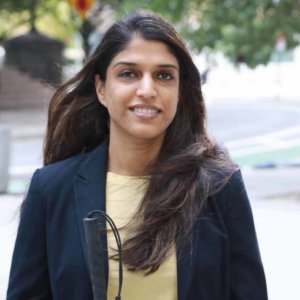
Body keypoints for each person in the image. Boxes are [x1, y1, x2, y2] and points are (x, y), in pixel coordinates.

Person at [7, 11, 268, 300]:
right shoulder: (51, 189)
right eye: (129, 73)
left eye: (164, 76)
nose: (147, 89)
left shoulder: (219, 187)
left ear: (180, 91)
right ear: (101, 89)